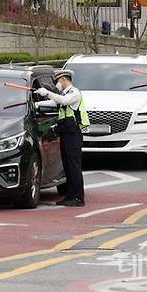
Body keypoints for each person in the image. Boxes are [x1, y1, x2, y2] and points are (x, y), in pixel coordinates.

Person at [35, 70, 90, 207]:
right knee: (67, 166)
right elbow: (55, 103)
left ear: (64, 79)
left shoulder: (74, 93)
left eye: (58, 81)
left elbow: (64, 101)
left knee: (74, 166)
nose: (57, 84)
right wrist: (37, 104)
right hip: (66, 133)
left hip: (74, 134)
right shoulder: (64, 94)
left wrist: (47, 93)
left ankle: (78, 197)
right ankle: (70, 196)